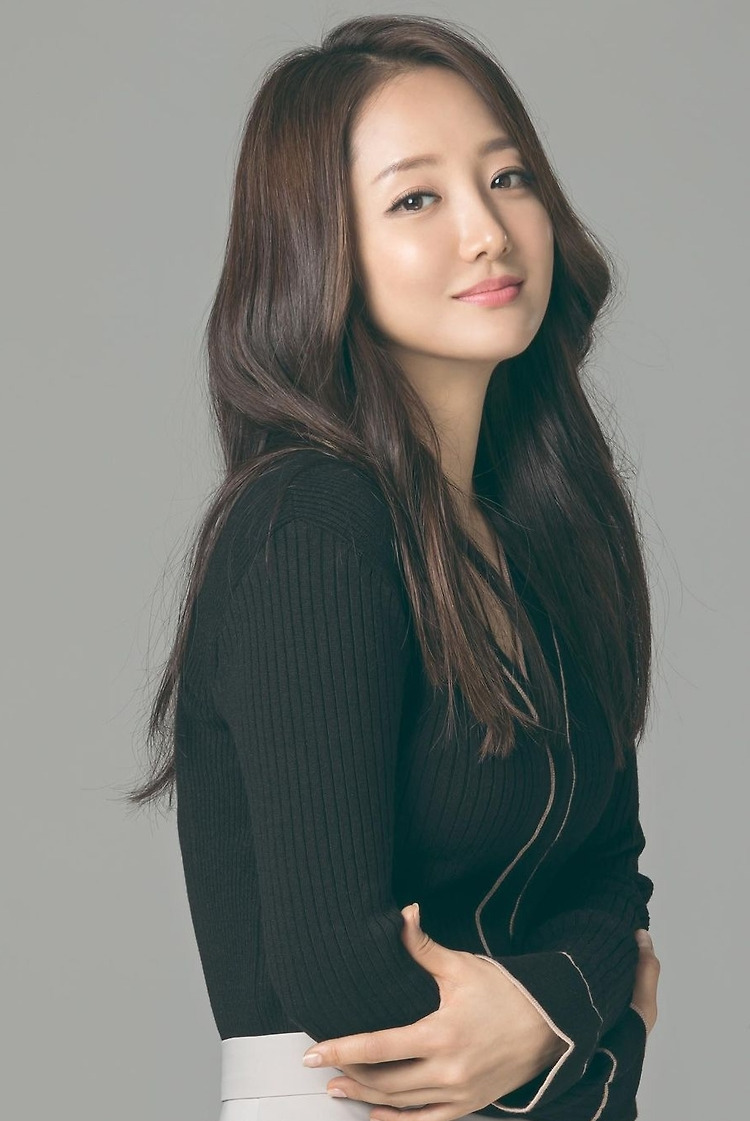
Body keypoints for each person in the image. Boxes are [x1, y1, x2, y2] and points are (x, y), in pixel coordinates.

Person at [126, 13, 661, 1121]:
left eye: (507, 177)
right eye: (417, 199)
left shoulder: (548, 535)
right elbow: (339, 974)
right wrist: (585, 1024)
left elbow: (613, 876)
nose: (488, 231)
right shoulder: (307, 527)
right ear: (321, 248)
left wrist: (549, 1017)